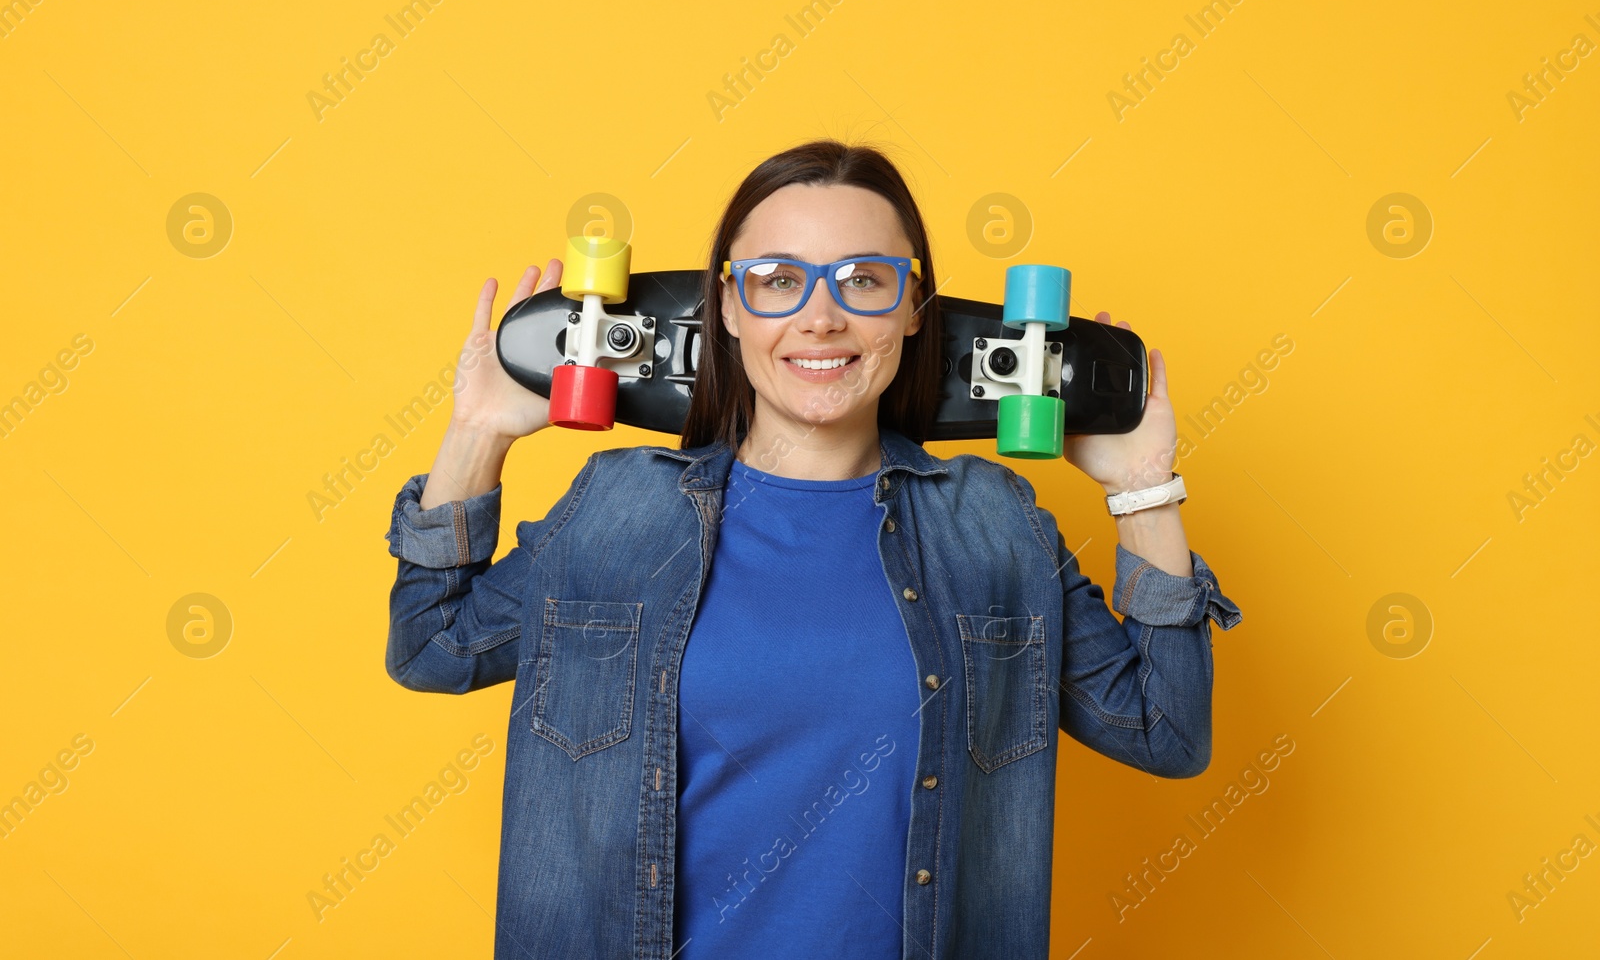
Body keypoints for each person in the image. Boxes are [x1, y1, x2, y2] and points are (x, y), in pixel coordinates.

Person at [383, 139, 1243, 959]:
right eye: (778, 279)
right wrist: (478, 431)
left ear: (914, 309)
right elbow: (429, 645)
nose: (820, 317)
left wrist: (1143, 486)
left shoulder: (994, 526)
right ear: (725, 305)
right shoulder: (621, 509)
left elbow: (1164, 730)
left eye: (865, 280)